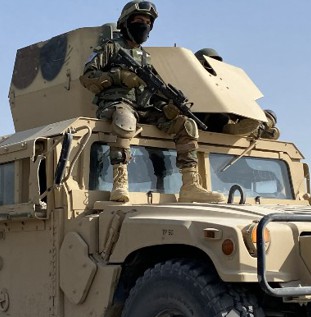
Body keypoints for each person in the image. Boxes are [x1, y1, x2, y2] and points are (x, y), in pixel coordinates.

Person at [80, 1, 225, 203]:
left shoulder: (146, 58)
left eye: (148, 22)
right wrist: (119, 76)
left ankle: (190, 185)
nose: (144, 25)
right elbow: (87, 77)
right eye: (139, 20)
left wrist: (167, 106)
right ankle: (120, 182)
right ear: (126, 22)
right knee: (124, 119)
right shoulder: (110, 48)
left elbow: (153, 92)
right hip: (118, 104)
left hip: (145, 108)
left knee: (187, 124)